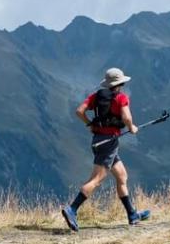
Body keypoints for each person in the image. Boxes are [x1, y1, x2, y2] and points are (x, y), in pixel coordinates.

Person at [61, 67, 150, 232]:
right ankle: (72, 209)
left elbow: (79, 111)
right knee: (96, 180)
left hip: (99, 140)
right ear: (120, 83)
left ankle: (132, 215)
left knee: (122, 176)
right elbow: (126, 117)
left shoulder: (96, 96)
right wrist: (132, 128)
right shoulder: (121, 98)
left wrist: (89, 124)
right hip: (108, 144)